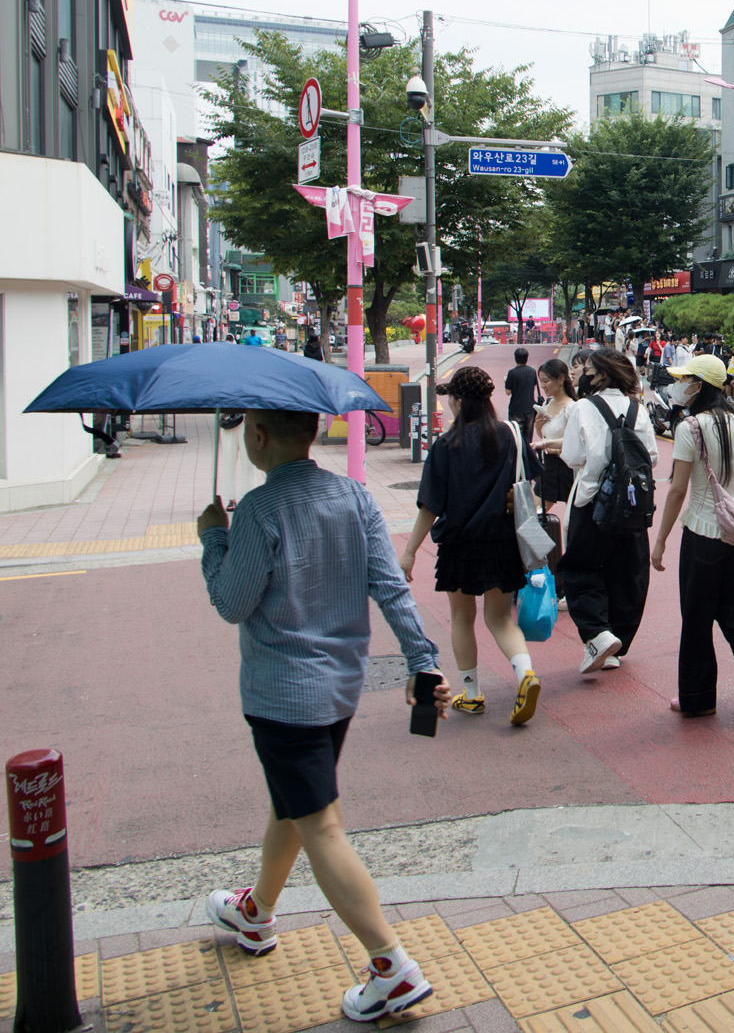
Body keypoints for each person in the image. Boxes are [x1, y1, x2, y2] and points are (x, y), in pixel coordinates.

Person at [196, 409, 444, 1022]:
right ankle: (255, 914)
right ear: (311, 430)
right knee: (295, 806)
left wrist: (212, 537)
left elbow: (231, 601)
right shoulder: (354, 497)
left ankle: (390, 965)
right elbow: (389, 585)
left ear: (258, 437)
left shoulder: (258, 509)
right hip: (339, 690)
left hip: (282, 696)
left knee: (321, 825)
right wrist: (422, 658)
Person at [399, 367, 541, 725]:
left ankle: (472, 694)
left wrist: (410, 550)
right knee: (499, 619)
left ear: (460, 400)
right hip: (503, 542)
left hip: (460, 545)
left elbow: (430, 505)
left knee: (462, 618)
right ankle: (525, 674)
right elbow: (532, 482)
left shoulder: (447, 445)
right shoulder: (510, 435)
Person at [649, 354, 734, 719]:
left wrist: (660, 541)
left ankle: (698, 697)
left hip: (703, 533)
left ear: (700, 385)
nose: (679, 385)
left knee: (697, 618)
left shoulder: (689, 427)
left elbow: (677, 491)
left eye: (686, 378)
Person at [541, 348, 657, 673]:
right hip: (632, 504)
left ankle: (596, 633)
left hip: (592, 500)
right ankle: (617, 641)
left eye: (588, 369)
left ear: (602, 374)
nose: (582, 374)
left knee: (580, 568)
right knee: (629, 571)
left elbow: (573, 456)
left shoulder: (583, 407)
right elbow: (651, 455)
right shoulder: (637, 408)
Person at [530, 357, 578, 518]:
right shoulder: (547, 404)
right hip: (548, 466)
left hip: (568, 468)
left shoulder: (572, 407)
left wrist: (546, 444)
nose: (542, 385)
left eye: (546, 381)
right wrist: (538, 425)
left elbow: (576, 443)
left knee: (573, 520)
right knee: (533, 516)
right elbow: (543, 435)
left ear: (560, 379)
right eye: (541, 381)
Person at [505, 347, 540, 428]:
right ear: (527, 358)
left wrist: (507, 381)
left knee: (517, 435)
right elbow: (533, 388)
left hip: (516, 408)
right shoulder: (532, 371)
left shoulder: (512, 373)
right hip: (530, 407)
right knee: (528, 437)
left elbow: (508, 392)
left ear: (515, 358)